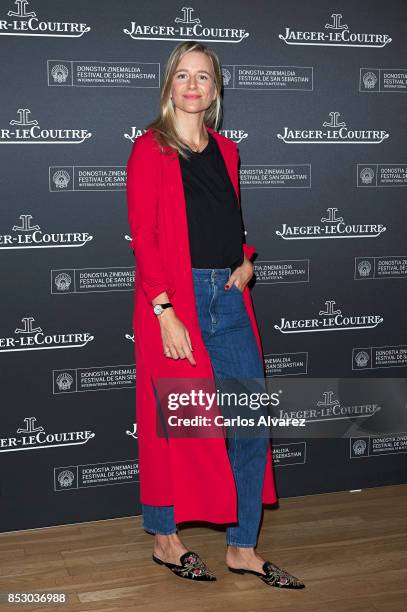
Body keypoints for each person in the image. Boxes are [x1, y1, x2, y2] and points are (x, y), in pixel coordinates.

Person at [126, 40, 305, 589]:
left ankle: (242, 547)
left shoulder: (228, 152)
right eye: (183, 75)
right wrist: (165, 309)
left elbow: (229, 223)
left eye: (203, 76)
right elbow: (147, 239)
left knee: (250, 422)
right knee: (181, 426)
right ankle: (165, 539)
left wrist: (246, 261)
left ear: (216, 89)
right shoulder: (148, 149)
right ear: (169, 86)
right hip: (174, 301)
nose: (193, 85)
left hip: (228, 297)